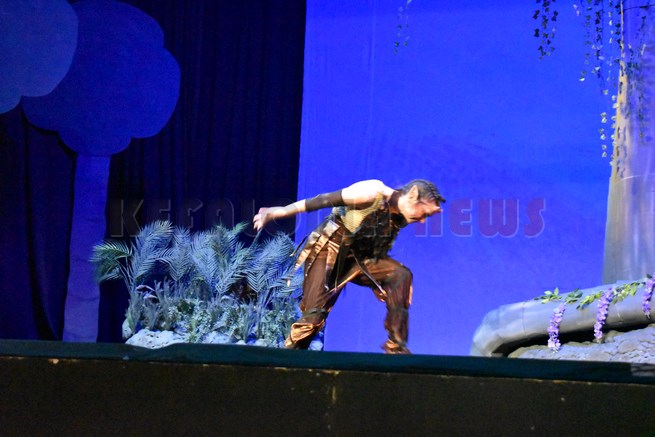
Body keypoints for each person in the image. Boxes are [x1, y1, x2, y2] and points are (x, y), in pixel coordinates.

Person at [253, 179, 445, 354]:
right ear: (412, 194)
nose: (422, 220)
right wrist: (278, 212)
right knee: (313, 319)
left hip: (359, 258)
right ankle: (288, 361)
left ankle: (396, 348)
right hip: (329, 250)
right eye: (424, 213)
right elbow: (321, 201)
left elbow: (375, 242)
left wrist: (380, 280)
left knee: (401, 275)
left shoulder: (402, 214)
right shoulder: (372, 193)